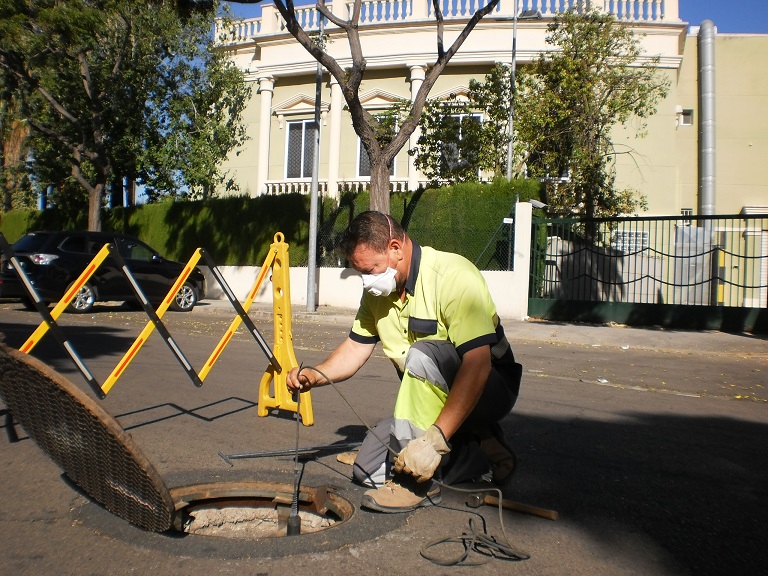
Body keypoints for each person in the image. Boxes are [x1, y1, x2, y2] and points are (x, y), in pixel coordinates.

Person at [287, 210, 521, 513]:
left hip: (488, 389)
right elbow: (355, 349)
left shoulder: (453, 277)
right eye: (361, 273)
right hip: (434, 401)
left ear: (395, 248)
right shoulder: (378, 293)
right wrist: (314, 375)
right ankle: (479, 452)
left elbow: (478, 365)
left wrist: (433, 442)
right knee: (367, 471)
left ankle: (416, 481)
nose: (367, 281)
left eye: (371, 270)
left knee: (423, 354)